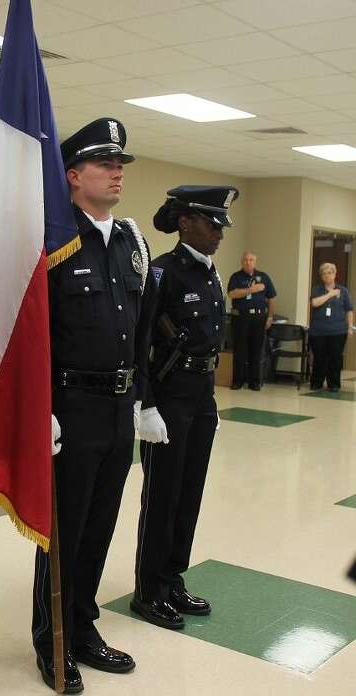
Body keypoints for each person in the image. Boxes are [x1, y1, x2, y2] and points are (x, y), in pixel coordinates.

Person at [32, 118, 156, 694]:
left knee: (101, 523)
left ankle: (82, 626)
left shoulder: (131, 241)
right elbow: (33, 332)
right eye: (105, 163)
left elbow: (144, 326)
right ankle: (50, 639)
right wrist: (44, 407)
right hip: (71, 406)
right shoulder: (55, 238)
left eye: (120, 163)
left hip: (117, 406)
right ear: (73, 175)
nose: (117, 172)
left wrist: (140, 399)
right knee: (66, 529)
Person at [131, 186, 237, 630]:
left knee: (189, 494)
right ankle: (148, 590)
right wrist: (146, 404)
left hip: (202, 396)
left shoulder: (210, 274)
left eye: (220, 226)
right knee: (163, 496)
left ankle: (173, 578)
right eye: (212, 225)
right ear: (185, 223)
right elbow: (141, 341)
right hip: (170, 396)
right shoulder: (162, 273)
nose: (219, 234)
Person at [227, 251, 276, 390]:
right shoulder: (236, 277)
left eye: (251, 260)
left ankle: (254, 382)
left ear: (255, 261)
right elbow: (232, 294)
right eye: (245, 260)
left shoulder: (264, 277)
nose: (248, 262)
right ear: (241, 262)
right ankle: (238, 381)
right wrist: (251, 290)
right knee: (240, 350)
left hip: (259, 318)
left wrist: (270, 317)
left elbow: (272, 298)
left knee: (256, 350)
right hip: (241, 317)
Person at [308, 262, 353, 391]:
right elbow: (315, 303)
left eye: (329, 273)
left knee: (335, 358)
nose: (327, 276)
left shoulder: (343, 290)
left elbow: (349, 309)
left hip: (338, 331)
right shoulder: (317, 289)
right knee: (319, 358)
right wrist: (330, 294)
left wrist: (350, 326)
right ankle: (317, 383)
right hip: (318, 331)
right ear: (321, 276)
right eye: (324, 273)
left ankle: (334, 384)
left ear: (334, 274)